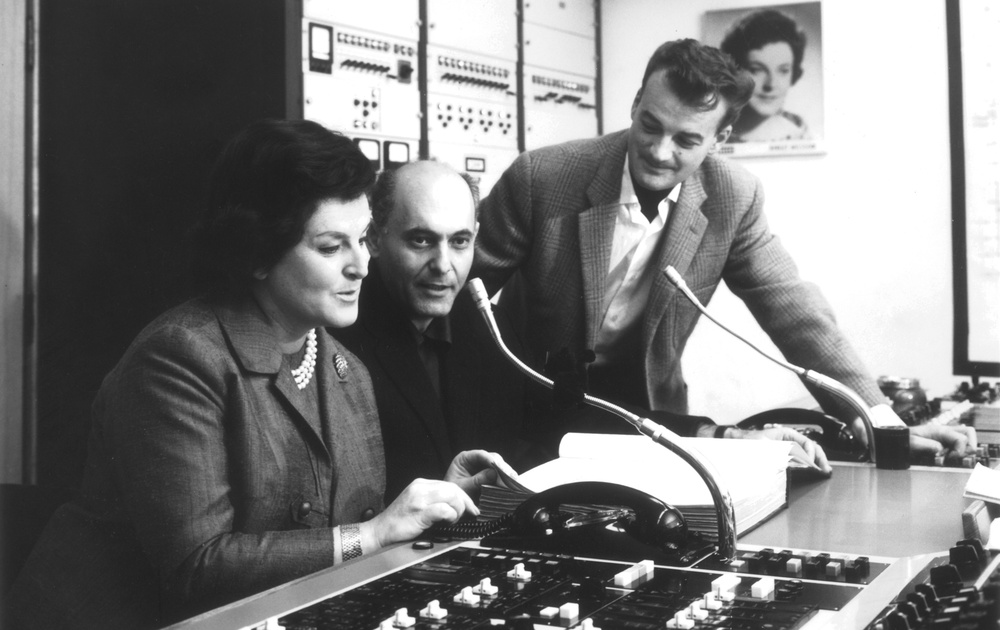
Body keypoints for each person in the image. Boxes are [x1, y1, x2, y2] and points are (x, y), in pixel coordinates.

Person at [5, 120, 504, 629]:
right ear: (259, 254)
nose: (361, 266)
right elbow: (197, 566)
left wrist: (428, 510)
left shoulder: (345, 368)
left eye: (363, 239)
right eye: (332, 247)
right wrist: (375, 534)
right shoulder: (179, 357)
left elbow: (343, 535)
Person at [472, 39, 976, 463]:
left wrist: (878, 420)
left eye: (687, 139)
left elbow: (795, 311)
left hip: (651, 416)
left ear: (721, 138)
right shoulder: (542, 177)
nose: (659, 150)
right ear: (634, 105)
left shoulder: (735, 196)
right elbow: (456, 295)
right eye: (649, 125)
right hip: (527, 411)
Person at [332, 160, 558, 499]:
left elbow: (547, 428)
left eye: (459, 242)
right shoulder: (335, 334)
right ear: (375, 238)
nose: (443, 265)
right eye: (421, 241)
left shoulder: (491, 328)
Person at [720, 9, 811, 143]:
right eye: (757, 70)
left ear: (794, 74)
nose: (771, 84)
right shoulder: (714, 138)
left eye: (783, 70)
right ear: (735, 71)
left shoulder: (806, 139)